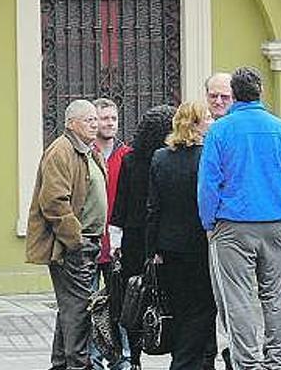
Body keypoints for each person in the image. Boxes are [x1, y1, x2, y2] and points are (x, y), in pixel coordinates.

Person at [198, 66, 281, 370]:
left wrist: (209, 222)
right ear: (261, 92)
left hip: (231, 224)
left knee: (238, 297)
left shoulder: (220, 130)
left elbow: (208, 182)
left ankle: (248, 362)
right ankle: (279, 359)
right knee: (275, 295)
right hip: (274, 222)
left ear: (234, 94)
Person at [25, 99, 107, 370]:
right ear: (71, 123)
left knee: (71, 306)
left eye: (96, 119)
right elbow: (54, 202)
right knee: (79, 308)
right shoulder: (62, 151)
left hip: (88, 241)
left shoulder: (87, 151)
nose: (95, 124)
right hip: (72, 244)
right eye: (89, 120)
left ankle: (61, 363)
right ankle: (78, 364)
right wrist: (76, 240)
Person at [146, 100, 217, 370]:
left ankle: (184, 360)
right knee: (202, 308)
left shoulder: (160, 158)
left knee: (178, 306)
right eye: (207, 117)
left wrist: (152, 250)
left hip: (169, 246)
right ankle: (187, 363)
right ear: (197, 124)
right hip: (201, 244)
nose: (211, 121)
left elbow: (153, 207)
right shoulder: (207, 156)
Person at [111, 104, 176, 369]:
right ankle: (170, 347)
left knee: (135, 298)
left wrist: (115, 240)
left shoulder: (129, 160)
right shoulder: (169, 160)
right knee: (167, 296)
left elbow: (120, 205)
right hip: (163, 238)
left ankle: (134, 356)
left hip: (134, 239)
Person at [90, 98, 133, 370]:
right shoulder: (83, 155)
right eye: (103, 118)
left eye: (113, 118)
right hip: (90, 242)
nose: (109, 123)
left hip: (117, 244)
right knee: (90, 305)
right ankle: (92, 358)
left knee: (121, 304)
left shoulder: (127, 155)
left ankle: (123, 356)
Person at [203, 72, 235, 370]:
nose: (219, 100)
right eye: (214, 95)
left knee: (232, 297)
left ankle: (229, 351)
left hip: (229, 228)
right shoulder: (200, 129)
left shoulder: (231, 131)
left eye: (224, 96)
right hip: (209, 228)